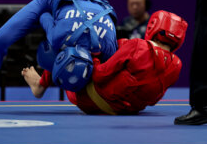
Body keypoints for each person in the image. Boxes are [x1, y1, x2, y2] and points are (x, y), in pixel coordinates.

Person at [0, 0, 118, 113]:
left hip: (97, 2)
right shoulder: (58, 38)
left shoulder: (110, 48)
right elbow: (44, 16)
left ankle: (40, 83)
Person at [22, 10, 188, 115]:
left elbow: (100, 75)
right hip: (129, 111)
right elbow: (153, 100)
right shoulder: (177, 65)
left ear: (153, 26)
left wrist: (95, 53)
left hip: (92, 100)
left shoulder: (137, 46)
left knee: (71, 43)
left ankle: (40, 84)